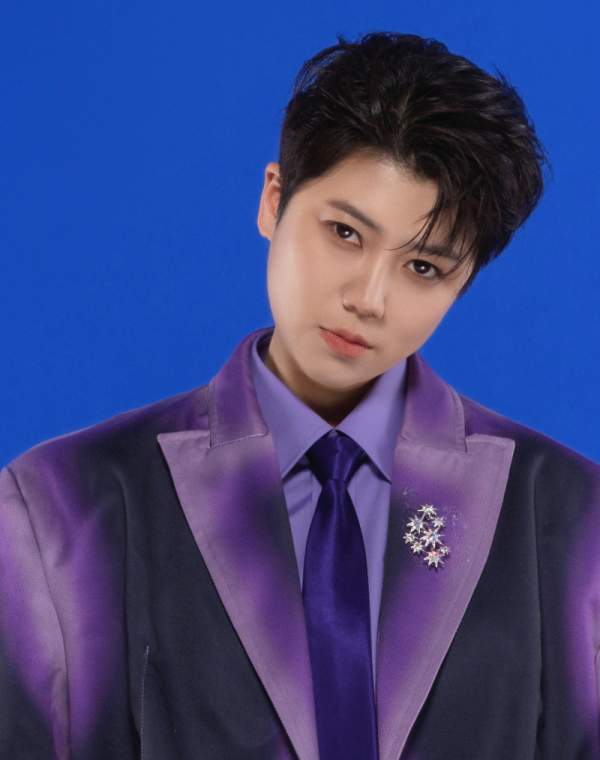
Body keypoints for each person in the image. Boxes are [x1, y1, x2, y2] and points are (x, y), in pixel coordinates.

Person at [1, 30, 598, 760]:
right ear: (273, 200)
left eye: (423, 267)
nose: (368, 298)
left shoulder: (573, 517)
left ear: (463, 282)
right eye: (344, 232)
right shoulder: (61, 506)